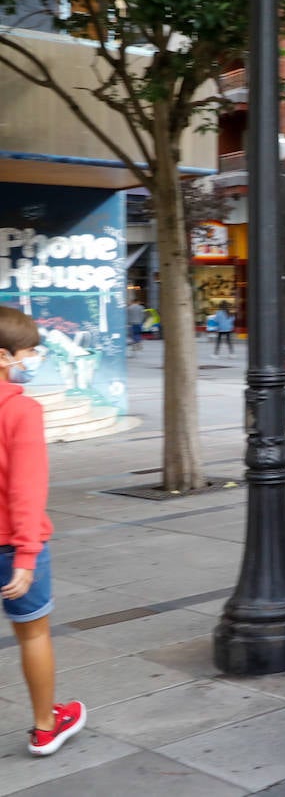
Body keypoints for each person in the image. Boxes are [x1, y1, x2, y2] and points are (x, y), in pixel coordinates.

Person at [0, 307, 85, 756]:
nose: (33, 358)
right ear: (3, 356)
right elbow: (26, 491)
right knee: (33, 634)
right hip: (11, 547)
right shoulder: (20, 410)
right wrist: (27, 556)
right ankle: (45, 726)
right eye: (29, 351)